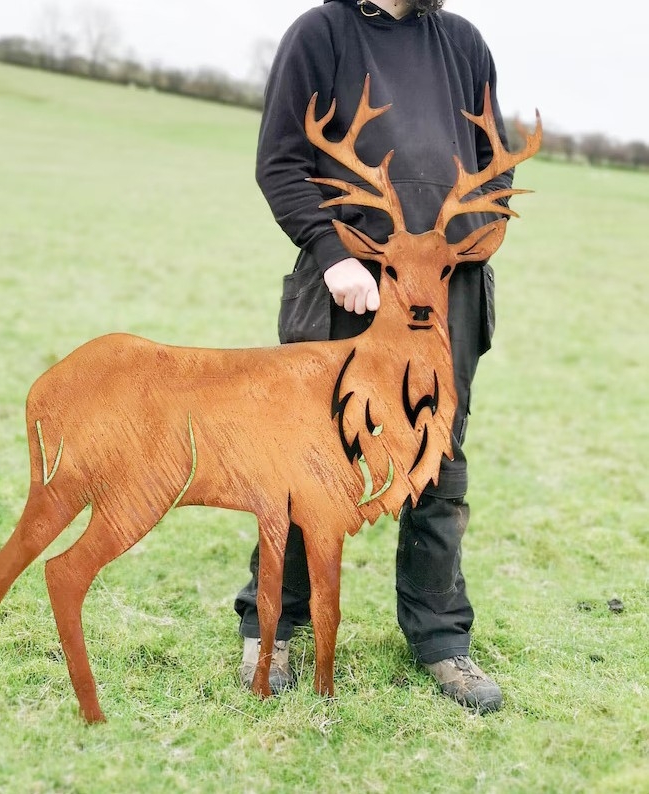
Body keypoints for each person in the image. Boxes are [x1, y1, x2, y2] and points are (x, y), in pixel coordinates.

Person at [233, 0, 514, 714]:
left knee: (437, 456)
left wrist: (453, 252)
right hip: (348, 288)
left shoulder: (463, 42)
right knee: (311, 457)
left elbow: (495, 173)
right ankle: (273, 627)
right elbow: (281, 163)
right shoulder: (321, 34)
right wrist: (333, 254)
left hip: (444, 291)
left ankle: (441, 639)